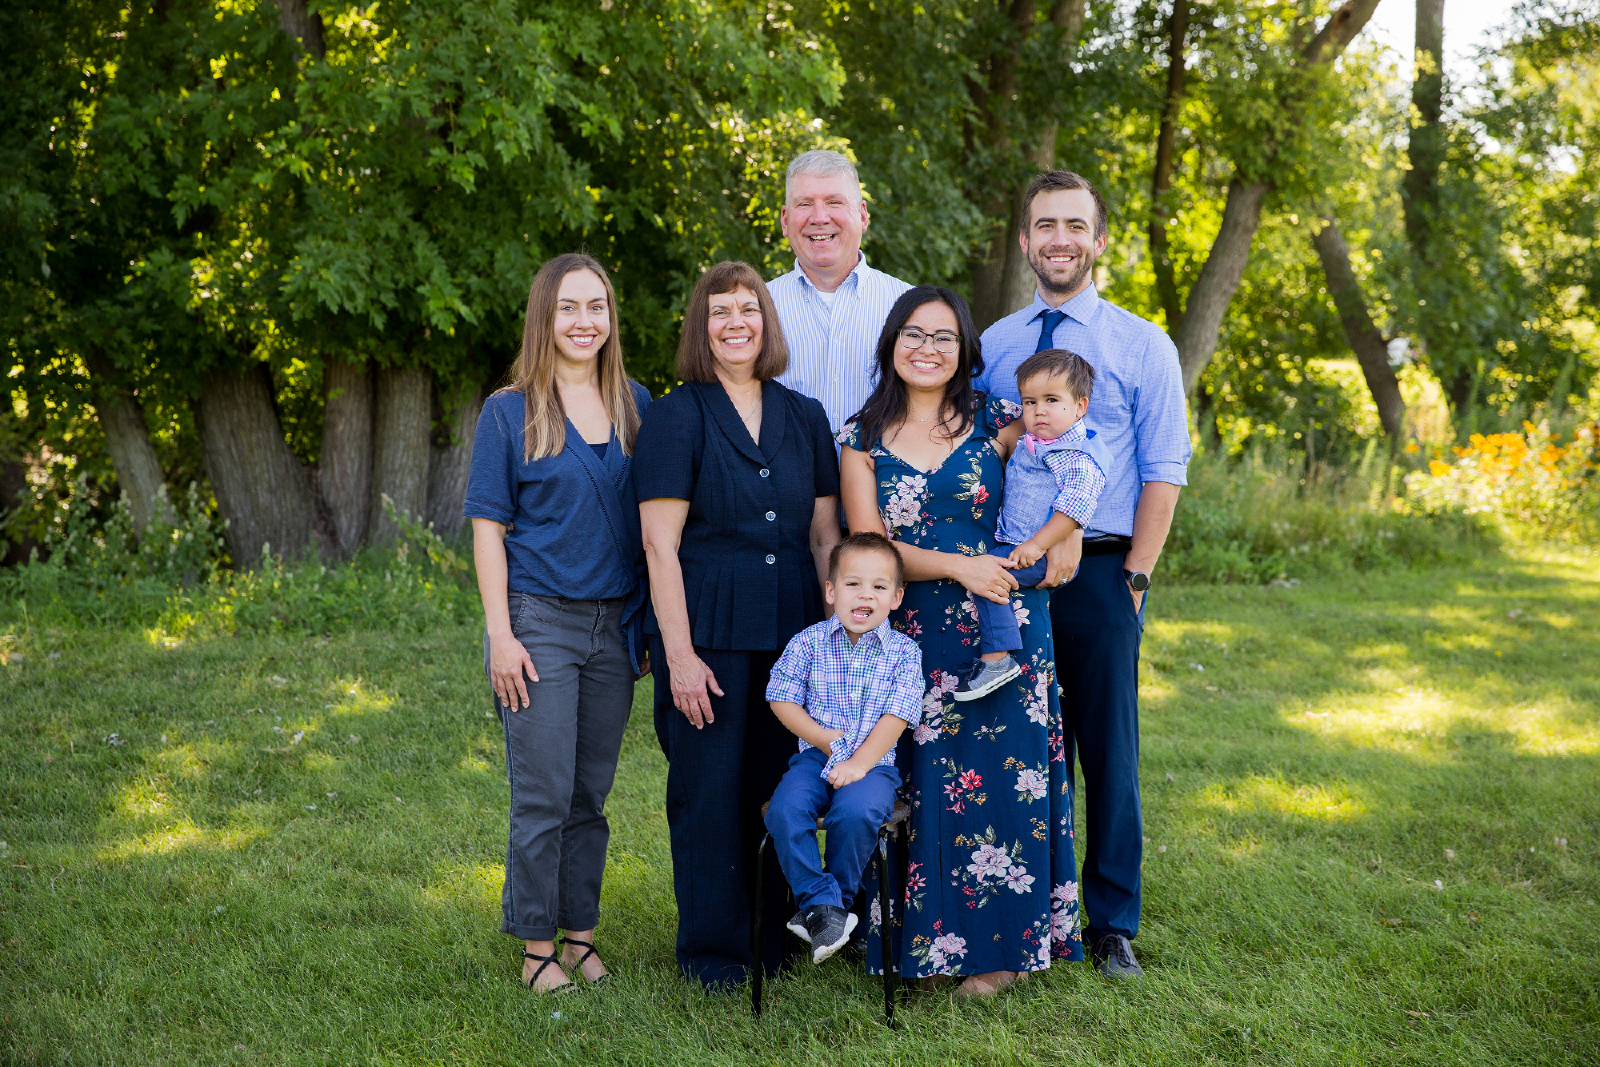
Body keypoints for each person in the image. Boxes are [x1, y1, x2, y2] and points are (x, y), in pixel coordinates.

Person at [975, 170, 1191, 979]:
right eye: (1045, 225)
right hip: (1011, 574)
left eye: (1075, 225)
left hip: (1102, 571)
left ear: (1098, 241)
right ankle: (1031, 906)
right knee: (1022, 745)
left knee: (1108, 748)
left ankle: (1111, 921)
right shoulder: (995, 344)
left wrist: (1136, 577)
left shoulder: (1143, 344)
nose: (1059, 239)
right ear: (1024, 241)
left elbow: (1164, 468)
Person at [839, 285, 1084, 998]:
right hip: (909, 633)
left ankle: (1003, 950)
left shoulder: (1002, 419)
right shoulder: (860, 437)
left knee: (1005, 779)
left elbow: (1075, 457)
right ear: (892, 342)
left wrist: (1068, 537)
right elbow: (869, 548)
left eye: (944, 336)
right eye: (913, 334)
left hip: (1005, 625)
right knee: (923, 783)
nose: (927, 348)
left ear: (965, 350)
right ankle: (925, 948)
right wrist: (957, 566)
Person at [634, 260, 842, 989]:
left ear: (766, 322)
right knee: (709, 792)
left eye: (747, 309)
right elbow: (659, 546)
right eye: (719, 311)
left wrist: (833, 642)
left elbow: (824, 537)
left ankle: (772, 939)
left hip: (794, 628)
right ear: (701, 326)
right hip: (708, 632)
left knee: (778, 785)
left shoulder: (805, 415)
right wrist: (679, 656)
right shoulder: (675, 415)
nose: (735, 323)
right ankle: (714, 954)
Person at [464, 253, 652, 994]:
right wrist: (501, 635)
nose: (584, 321)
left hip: (615, 626)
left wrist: (647, 623)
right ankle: (535, 946)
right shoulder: (509, 411)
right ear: (545, 316)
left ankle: (580, 936)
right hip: (539, 621)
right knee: (543, 792)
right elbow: (487, 528)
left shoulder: (636, 404)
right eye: (569, 307)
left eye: (596, 306)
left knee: (589, 795)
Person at [763, 532, 923, 963]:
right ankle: (824, 905)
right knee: (785, 809)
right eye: (853, 584)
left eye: (879, 586)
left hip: (874, 764)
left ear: (896, 597)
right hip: (816, 757)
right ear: (831, 591)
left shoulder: (904, 653)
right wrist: (824, 739)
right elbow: (781, 697)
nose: (865, 594)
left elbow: (899, 715)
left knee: (855, 812)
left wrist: (859, 763)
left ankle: (832, 908)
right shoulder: (809, 642)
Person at [953, 348, 1109, 702]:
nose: (1039, 410)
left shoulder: (1078, 458)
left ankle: (997, 660)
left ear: (1080, 407)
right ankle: (1042, 671)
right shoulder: (1035, 443)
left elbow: (1073, 510)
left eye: (1052, 400)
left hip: (1036, 549)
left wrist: (1036, 546)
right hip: (1018, 540)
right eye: (1029, 401)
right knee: (1021, 603)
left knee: (989, 578)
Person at [769, 149, 913, 431]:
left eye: (834, 202)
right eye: (804, 204)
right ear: (785, 220)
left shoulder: (910, 306)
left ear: (863, 216)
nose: (819, 217)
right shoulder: (756, 309)